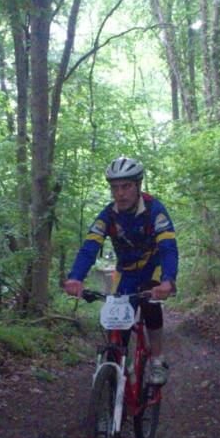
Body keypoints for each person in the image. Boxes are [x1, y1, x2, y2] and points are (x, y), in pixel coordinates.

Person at [64, 157, 178, 385]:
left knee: (150, 302)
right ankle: (123, 369)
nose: (120, 193)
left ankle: (158, 359)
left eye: (126, 186)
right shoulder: (107, 215)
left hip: (152, 269)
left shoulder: (155, 210)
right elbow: (89, 248)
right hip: (126, 272)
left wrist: (167, 280)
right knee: (117, 323)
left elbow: (168, 247)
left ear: (138, 185)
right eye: (115, 188)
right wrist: (75, 277)